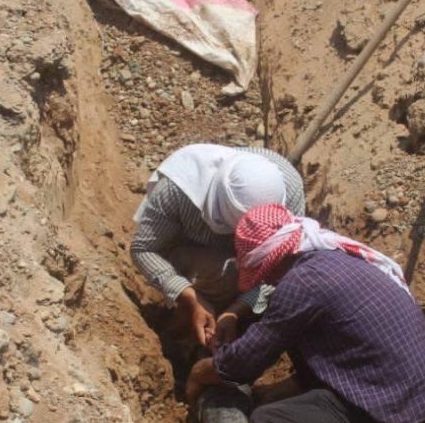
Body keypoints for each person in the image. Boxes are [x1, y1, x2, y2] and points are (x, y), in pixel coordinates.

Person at [186, 204, 425, 423]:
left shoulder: (304, 284)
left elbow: (243, 364)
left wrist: (201, 372)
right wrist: (272, 389)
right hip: (413, 406)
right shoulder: (335, 258)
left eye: (262, 271)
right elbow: (332, 352)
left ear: (273, 260)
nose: (264, 279)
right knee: (290, 372)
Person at [131, 143, 305, 347]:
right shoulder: (179, 188)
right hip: (189, 255)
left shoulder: (289, 189)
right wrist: (190, 297)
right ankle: (183, 333)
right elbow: (144, 249)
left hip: (250, 268)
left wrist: (236, 311)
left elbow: (284, 268)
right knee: (224, 275)